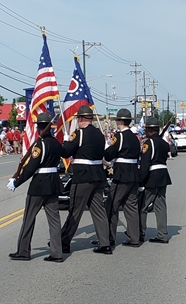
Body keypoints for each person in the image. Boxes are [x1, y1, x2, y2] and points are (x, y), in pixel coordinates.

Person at [8, 112, 64, 262]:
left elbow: (30, 168)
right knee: (54, 220)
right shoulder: (56, 143)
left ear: (39, 127)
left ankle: (23, 251)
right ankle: (57, 253)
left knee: (29, 218)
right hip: (53, 182)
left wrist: (16, 182)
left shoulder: (40, 144)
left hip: (39, 184)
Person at [60, 106, 111, 254]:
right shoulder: (99, 134)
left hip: (83, 176)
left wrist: (66, 142)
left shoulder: (79, 134)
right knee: (98, 210)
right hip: (97, 175)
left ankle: (64, 242)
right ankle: (104, 243)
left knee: (75, 210)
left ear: (80, 119)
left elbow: (66, 153)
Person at [104, 108, 143, 247]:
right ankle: (134, 238)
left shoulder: (119, 137)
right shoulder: (134, 137)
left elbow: (109, 155)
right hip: (133, 174)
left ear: (120, 121)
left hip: (122, 175)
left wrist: (108, 147)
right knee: (130, 206)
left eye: (116, 120)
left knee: (111, 205)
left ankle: (108, 238)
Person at [140, 116, 173, 244]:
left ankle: (140, 233)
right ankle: (162, 234)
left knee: (142, 206)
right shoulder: (164, 143)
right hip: (163, 175)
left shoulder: (148, 143)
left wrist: (141, 181)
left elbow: (145, 164)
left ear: (149, 130)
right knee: (160, 206)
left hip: (152, 176)